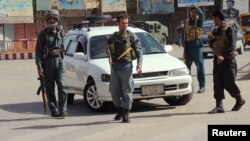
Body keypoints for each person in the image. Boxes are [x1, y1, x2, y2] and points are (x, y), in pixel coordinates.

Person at [207, 9, 245, 114]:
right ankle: (219, 106)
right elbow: (213, 46)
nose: (213, 20)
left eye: (214, 18)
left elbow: (232, 46)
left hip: (228, 61)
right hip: (217, 61)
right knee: (217, 83)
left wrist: (223, 56)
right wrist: (211, 40)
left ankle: (239, 100)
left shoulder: (229, 29)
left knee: (229, 83)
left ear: (218, 18)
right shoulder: (216, 30)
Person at [107, 14, 143, 123]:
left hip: (126, 66)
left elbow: (139, 51)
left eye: (126, 23)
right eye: (123, 23)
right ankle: (120, 109)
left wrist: (139, 64)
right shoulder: (113, 37)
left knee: (127, 90)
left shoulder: (131, 36)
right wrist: (108, 57)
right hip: (115, 67)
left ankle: (126, 113)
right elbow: (108, 49)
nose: (125, 25)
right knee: (114, 91)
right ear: (118, 23)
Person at [35, 9, 68, 118]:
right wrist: (39, 66)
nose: (52, 20)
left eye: (54, 18)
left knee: (62, 85)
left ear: (57, 19)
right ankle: (54, 110)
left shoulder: (61, 32)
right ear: (47, 20)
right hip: (47, 63)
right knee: (49, 88)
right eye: (50, 18)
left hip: (60, 62)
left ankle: (63, 110)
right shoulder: (43, 34)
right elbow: (38, 52)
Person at [182, 5, 206, 93]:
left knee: (200, 66)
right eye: (192, 11)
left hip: (196, 46)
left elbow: (201, 14)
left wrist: (196, 7)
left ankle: (202, 86)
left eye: (194, 11)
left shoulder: (199, 20)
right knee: (186, 68)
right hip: (188, 47)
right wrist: (182, 41)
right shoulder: (187, 21)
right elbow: (183, 32)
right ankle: (187, 87)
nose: (193, 12)